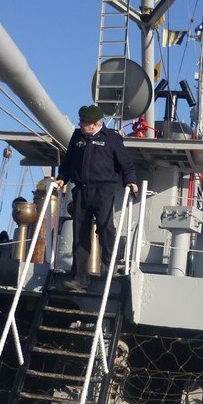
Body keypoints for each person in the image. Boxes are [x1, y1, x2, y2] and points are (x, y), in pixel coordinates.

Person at [55, 104, 138, 291]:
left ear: (95, 124)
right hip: (81, 190)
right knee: (79, 233)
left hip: (103, 189)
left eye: (84, 122)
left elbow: (126, 163)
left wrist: (131, 181)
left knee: (105, 227)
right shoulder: (77, 137)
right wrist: (62, 178)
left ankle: (110, 267)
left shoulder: (111, 138)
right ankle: (79, 279)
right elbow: (68, 162)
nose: (80, 124)